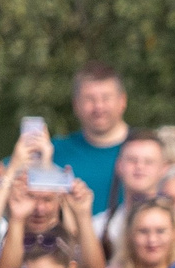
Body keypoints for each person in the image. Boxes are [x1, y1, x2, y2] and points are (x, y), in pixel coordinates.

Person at [44, 63, 132, 204]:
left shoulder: (149, 150)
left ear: (122, 101)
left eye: (106, 98)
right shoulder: (54, 151)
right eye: (89, 99)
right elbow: (3, 173)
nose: (99, 107)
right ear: (76, 105)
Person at [93, 134, 170, 259]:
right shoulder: (97, 227)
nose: (140, 167)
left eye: (149, 162)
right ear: (119, 166)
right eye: (132, 160)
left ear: (164, 168)